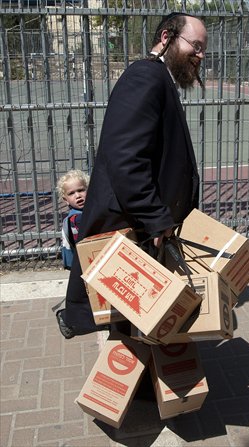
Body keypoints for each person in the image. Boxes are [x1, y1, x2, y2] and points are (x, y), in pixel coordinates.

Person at [56, 12, 207, 339]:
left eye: (203, 48)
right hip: (129, 223)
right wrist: (155, 216)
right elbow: (125, 157)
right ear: (166, 38)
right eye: (195, 46)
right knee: (130, 322)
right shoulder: (145, 78)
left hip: (138, 224)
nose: (200, 55)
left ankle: (139, 382)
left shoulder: (158, 78)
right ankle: (131, 386)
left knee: (135, 319)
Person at [56, 169, 89, 270]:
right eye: (71, 193)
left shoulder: (86, 212)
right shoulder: (76, 218)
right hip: (83, 263)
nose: (78, 196)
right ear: (66, 200)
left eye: (81, 190)